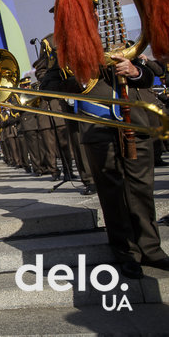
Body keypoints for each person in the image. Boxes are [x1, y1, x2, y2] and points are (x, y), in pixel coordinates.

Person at [42, 45, 169, 279]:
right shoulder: (63, 56)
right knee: (112, 193)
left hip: (134, 124)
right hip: (97, 128)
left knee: (142, 188)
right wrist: (78, 82)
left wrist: (134, 71)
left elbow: (149, 76)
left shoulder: (124, 43)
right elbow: (47, 88)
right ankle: (127, 252)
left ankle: (151, 248)